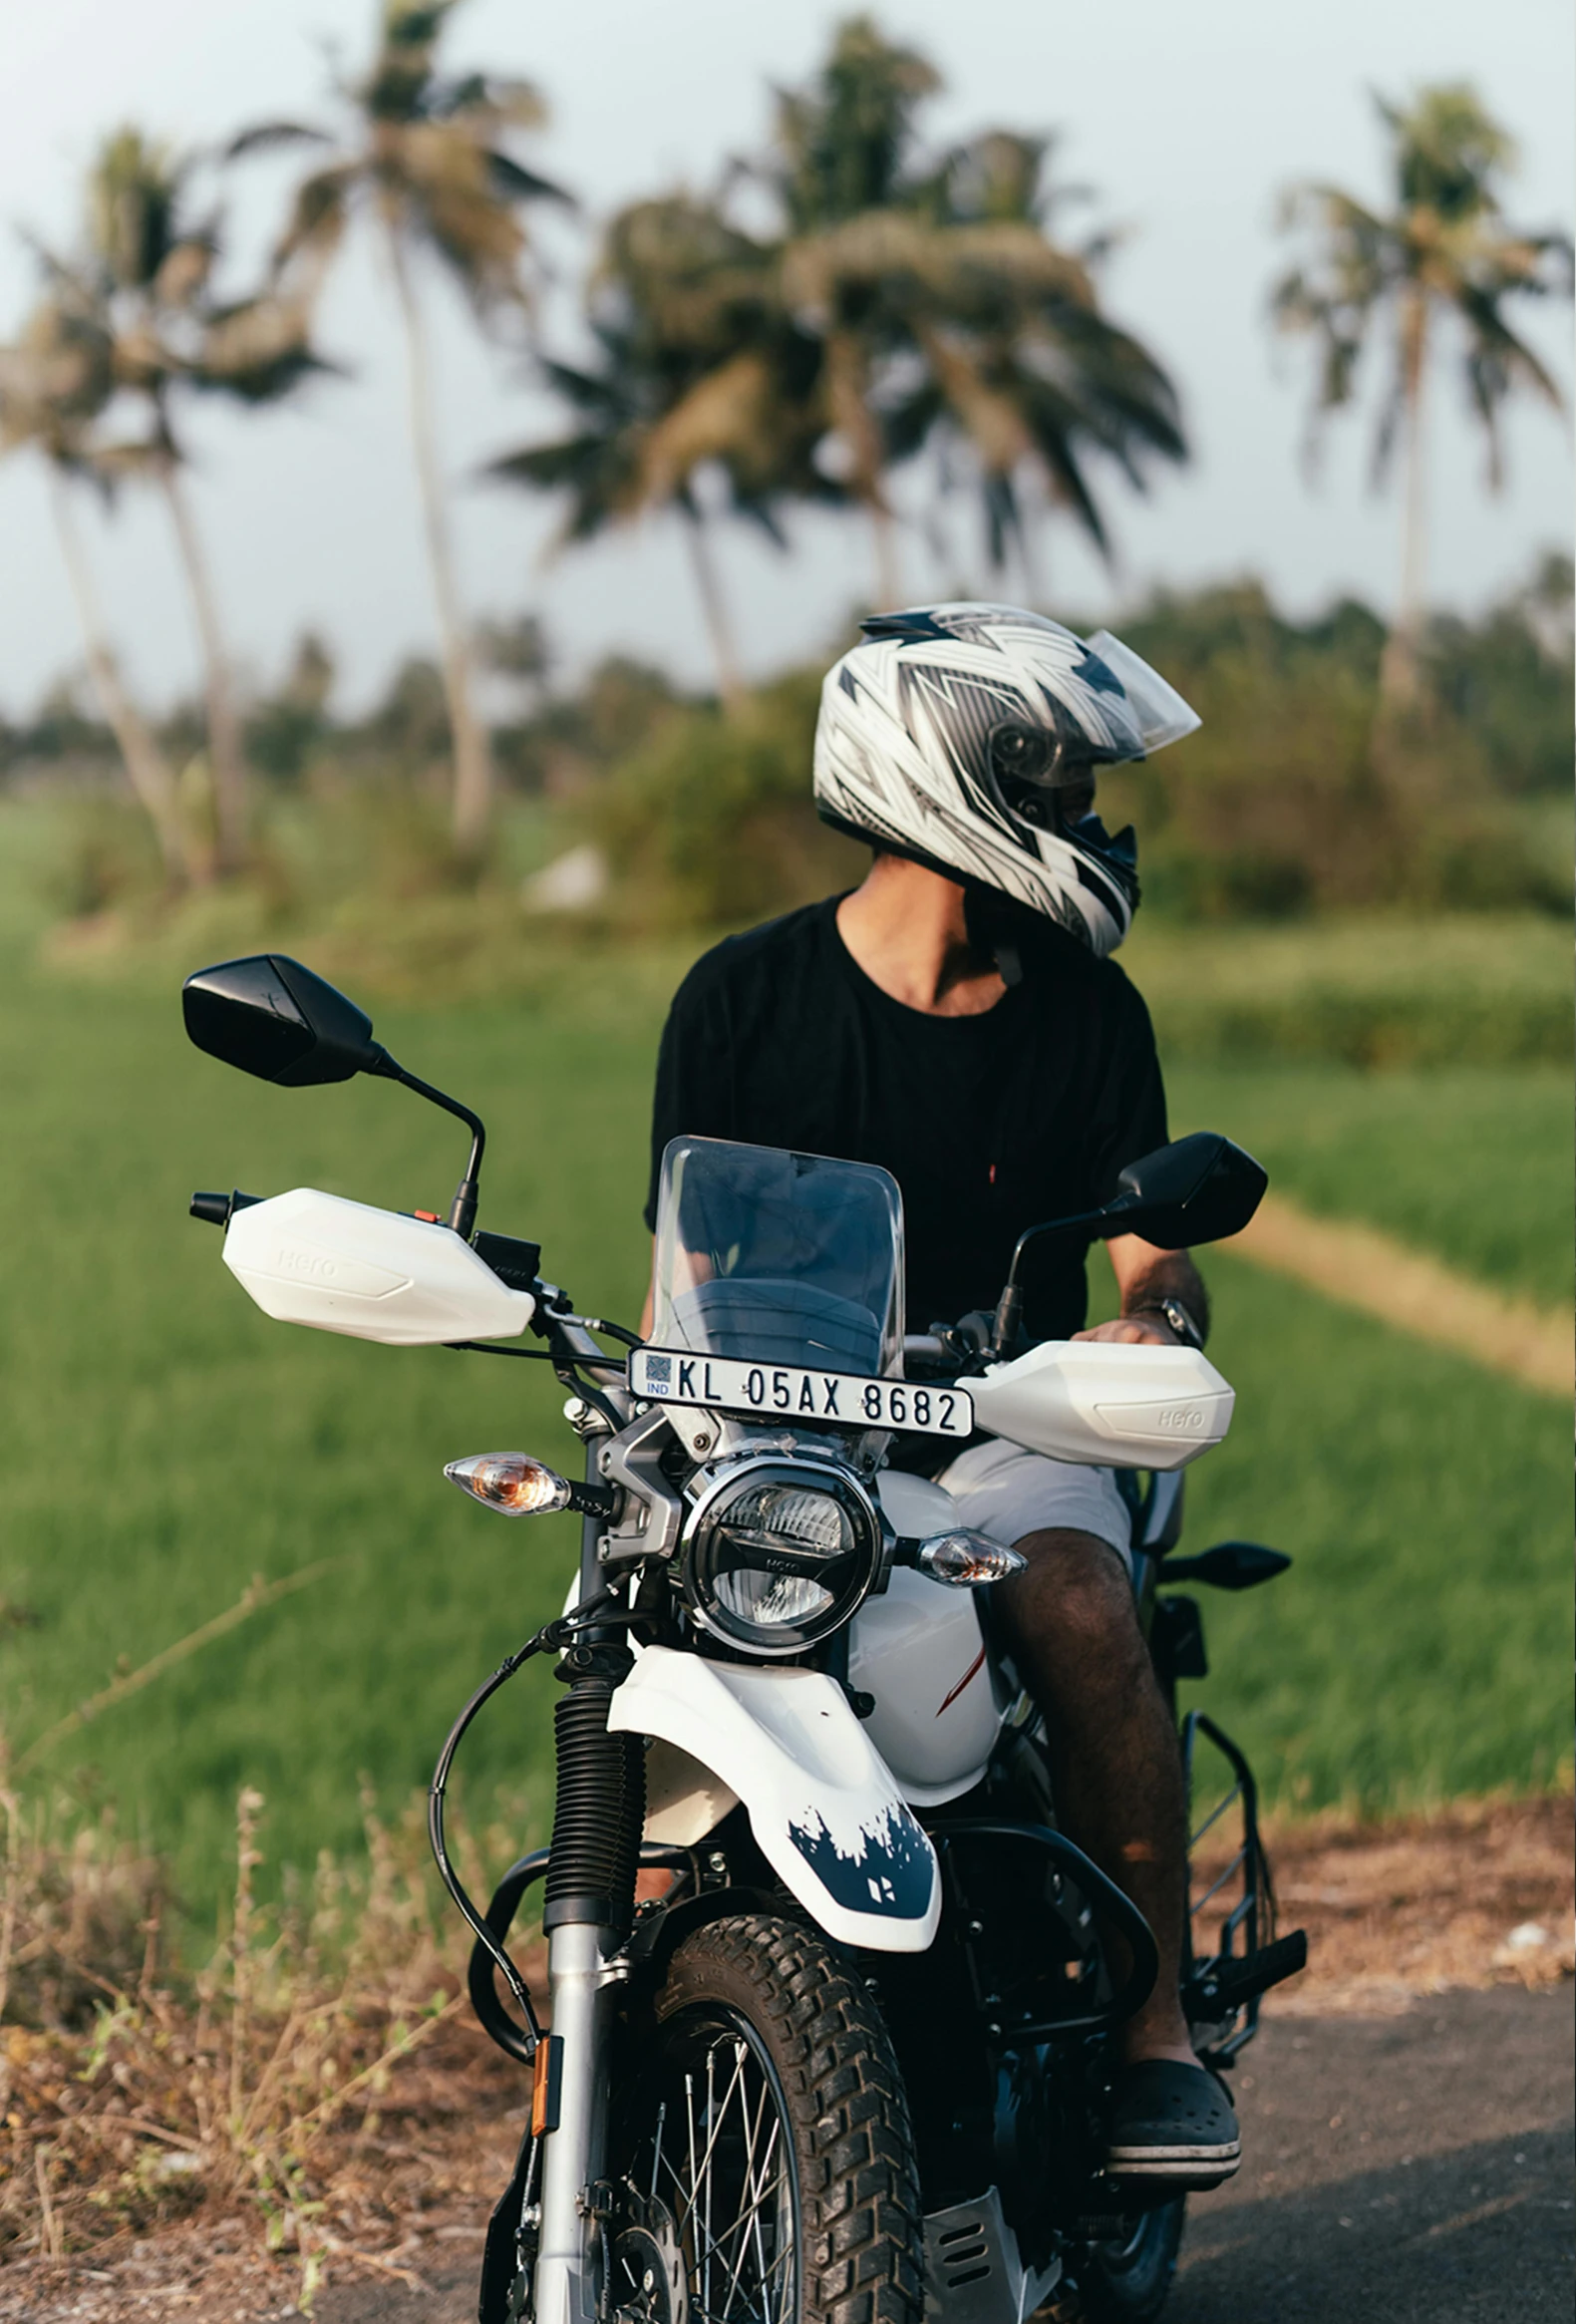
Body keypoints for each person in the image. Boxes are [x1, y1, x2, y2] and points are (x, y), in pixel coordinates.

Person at [640, 602, 1240, 2184]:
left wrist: (1154, 1327)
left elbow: (1148, 1263)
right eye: (1052, 781)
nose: (1090, 819)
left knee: (1088, 1612)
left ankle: (1152, 2040)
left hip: (1007, 1440)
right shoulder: (741, 1002)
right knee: (639, 1645)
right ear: (942, 779)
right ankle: (631, 2029)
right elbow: (686, 1271)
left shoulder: (1091, 1018)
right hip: (795, 1440)